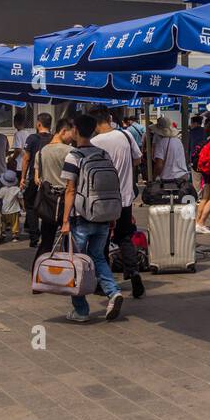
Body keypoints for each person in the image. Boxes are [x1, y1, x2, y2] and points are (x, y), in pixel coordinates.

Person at [59, 114, 127, 323]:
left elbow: (70, 190)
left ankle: (81, 310)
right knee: (97, 257)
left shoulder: (74, 156)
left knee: (77, 263)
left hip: (81, 217)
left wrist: (65, 221)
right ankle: (113, 292)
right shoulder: (103, 155)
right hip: (103, 215)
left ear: (77, 130)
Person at [90, 107, 145, 297]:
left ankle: (103, 282)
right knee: (125, 236)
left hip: (103, 199)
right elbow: (138, 160)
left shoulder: (94, 142)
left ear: (94, 122)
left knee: (101, 240)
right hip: (125, 197)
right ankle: (134, 272)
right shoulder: (126, 136)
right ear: (109, 118)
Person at [32, 119, 74, 257]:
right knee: (69, 243)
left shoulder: (41, 152)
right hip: (66, 203)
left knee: (46, 242)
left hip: (47, 203)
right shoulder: (71, 152)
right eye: (71, 133)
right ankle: (69, 273)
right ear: (63, 131)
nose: (72, 137)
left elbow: (37, 179)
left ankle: (38, 272)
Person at [19, 113, 54, 244]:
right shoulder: (53, 138)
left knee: (30, 206)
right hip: (50, 179)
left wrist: (22, 177)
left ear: (39, 124)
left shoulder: (32, 138)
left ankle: (34, 237)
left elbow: (26, 158)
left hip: (35, 178)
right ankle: (47, 236)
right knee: (48, 207)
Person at [0, 169, 24, 241]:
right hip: (15, 210)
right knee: (15, 223)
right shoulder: (16, 189)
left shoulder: (2, 189)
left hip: (5, 210)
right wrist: (23, 207)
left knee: (3, 222)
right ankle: (14, 235)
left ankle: (3, 234)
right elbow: (20, 199)